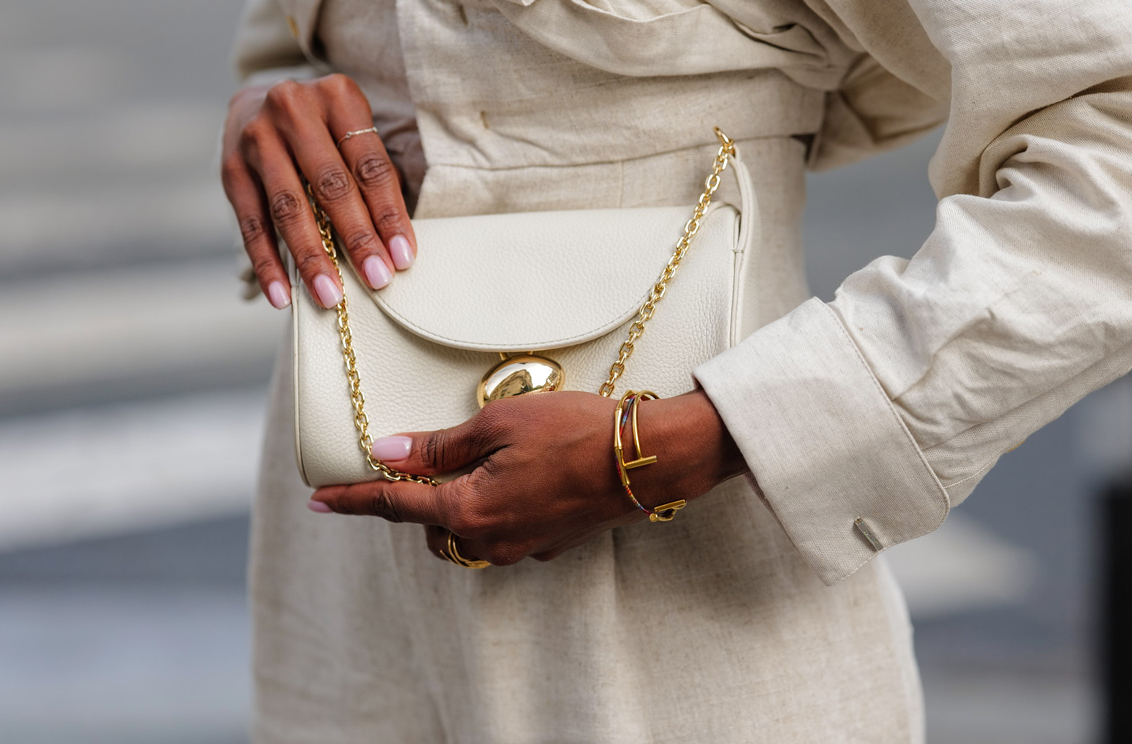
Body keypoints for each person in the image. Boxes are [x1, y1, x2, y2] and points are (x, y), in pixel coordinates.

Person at [220, 1, 1132, 741]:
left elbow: (1113, 153)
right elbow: (298, 38)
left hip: (687, 590)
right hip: (350, 580)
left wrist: (703, 434)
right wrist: (275, 101)